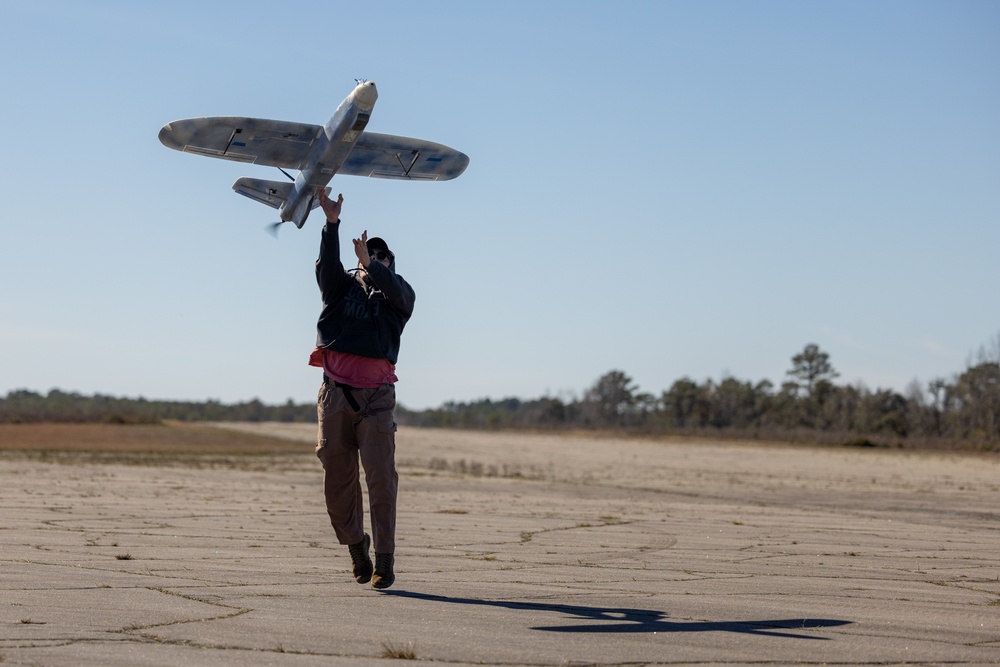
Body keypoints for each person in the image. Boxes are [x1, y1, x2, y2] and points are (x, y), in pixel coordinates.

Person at [308, 189, 415, 590]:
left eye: (383, 256)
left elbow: (397, 290)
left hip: (376, 401)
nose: (376, 259)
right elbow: (326, 268)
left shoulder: (399, 297)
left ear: (391, 264)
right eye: (370, 255)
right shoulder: (341, 288)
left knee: (381, 478)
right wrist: (331, 225)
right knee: (337, 479)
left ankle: (384, 560)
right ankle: (357, 547)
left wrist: (376, 267)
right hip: (335, 396)